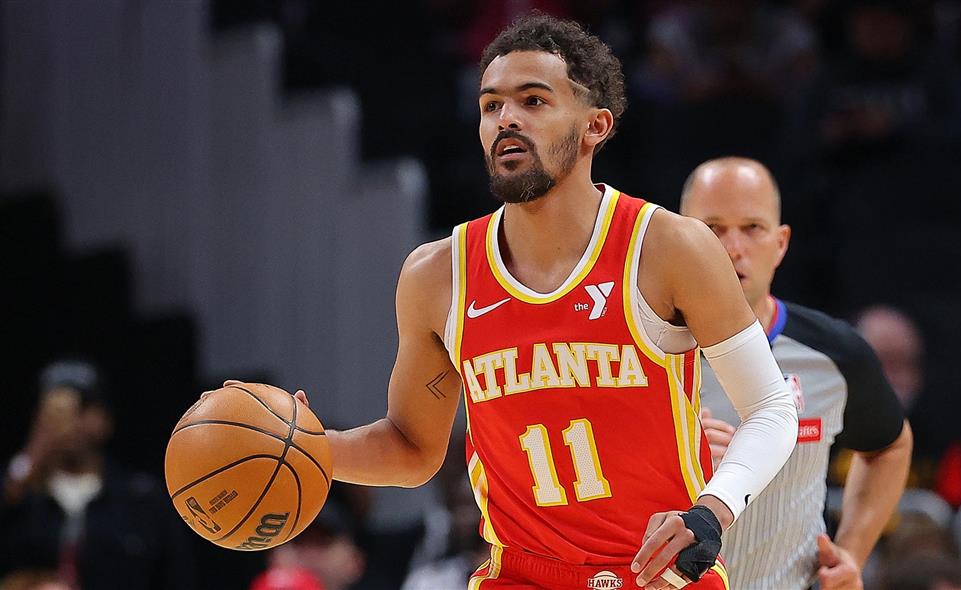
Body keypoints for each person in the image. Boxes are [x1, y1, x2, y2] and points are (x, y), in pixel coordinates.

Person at [215, 14, 798, 590]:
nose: (506, 119)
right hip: (520, 575)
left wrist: (711, 512)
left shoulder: (668, 247)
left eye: (533, 101)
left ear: (595, 126)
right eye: (491, 105)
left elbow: (771, 406)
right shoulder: (437, 275)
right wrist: (306, 447)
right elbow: (413, 449)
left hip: (658, 573)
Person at [680, 157, 912, 590]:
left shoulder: (833, 353)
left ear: (781, 243)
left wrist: (852, 552)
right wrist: (673, 459)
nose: (733, 247)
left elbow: (890, 447)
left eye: (752, 228)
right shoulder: (635, 352)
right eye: (713, 228)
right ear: (680, 239)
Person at [0, 360, 195, 590]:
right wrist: (35, 451)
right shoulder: (19, 495)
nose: (70, 422)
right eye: (56, 411)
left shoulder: (141, 499)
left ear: (105, 419)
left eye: (82, 408)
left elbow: (177, 578)